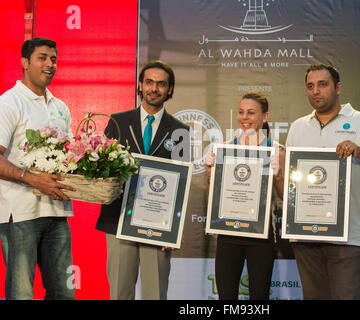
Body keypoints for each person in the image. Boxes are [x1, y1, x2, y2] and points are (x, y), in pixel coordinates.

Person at [286, 63, 360, 300]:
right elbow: (292, 182)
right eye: (310, 86)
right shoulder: (298, 127)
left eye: (322, 84)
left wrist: (359, 152)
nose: (315, 91)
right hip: (306, 236)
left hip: (349, 238)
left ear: (338, 88)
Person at [95, 60, 190, 300]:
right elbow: (103, 170)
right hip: (118, 218)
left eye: (161, 84)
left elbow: (181, 184)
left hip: (158, 224)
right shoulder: (117, 121)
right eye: (149, 82)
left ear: (170, 89)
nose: (154, 88)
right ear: (140, 85)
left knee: (155, 293)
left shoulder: (181, 131)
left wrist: (173, 231)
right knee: (119, 291)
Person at [0, 37, 75, 300]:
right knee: (21, 295)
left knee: (64, 293)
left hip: (57, 212)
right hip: (20, 214)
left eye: (53, 59)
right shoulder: (9, 102)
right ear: (24, 62)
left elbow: (68, 160)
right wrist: (31, 179)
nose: (50, 64)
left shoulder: (61, 107)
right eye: (42, 58)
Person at [204, 91, 285, 300]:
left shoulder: (276, 150)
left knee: (259, 298)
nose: (244, 118)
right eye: (241, 112)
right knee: (226, 297)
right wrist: (209, 173)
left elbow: (284, 195)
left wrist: (277, 175)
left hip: (261, 236)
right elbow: (213, 195)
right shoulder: (226, 149)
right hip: (228, 234)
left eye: (251, 113)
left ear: (265, 116)